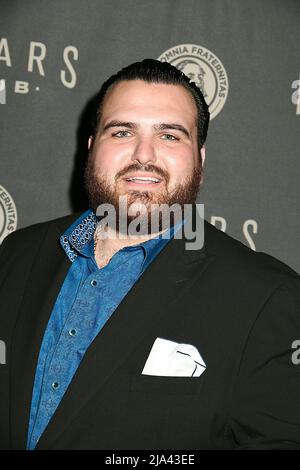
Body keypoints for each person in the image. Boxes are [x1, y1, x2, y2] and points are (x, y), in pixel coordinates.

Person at [0, 58, 299, 450]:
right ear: (92, 149)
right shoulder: (15, 255)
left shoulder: (267, 297)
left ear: (200, 159)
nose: (144, 154)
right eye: (122, 132)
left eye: (170, 136)